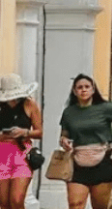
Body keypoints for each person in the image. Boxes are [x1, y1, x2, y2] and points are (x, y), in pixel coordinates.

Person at [59, 74, 112, 209]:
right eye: (80, 87)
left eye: (87, 87)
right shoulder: (69, 112)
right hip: (77, 162)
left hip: (102, 160)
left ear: (93, 90)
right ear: (74, 91)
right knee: (75, 204)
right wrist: (64, 141)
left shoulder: (106, 108)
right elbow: (64, 134)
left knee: (99, 206)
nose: (83, 90)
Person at [0, 74, 42, 209]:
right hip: (2, 154)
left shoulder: (29, 104)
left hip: (22, 154)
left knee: (16, 200)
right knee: (4, 202)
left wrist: (24, 132)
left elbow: (39, 132)